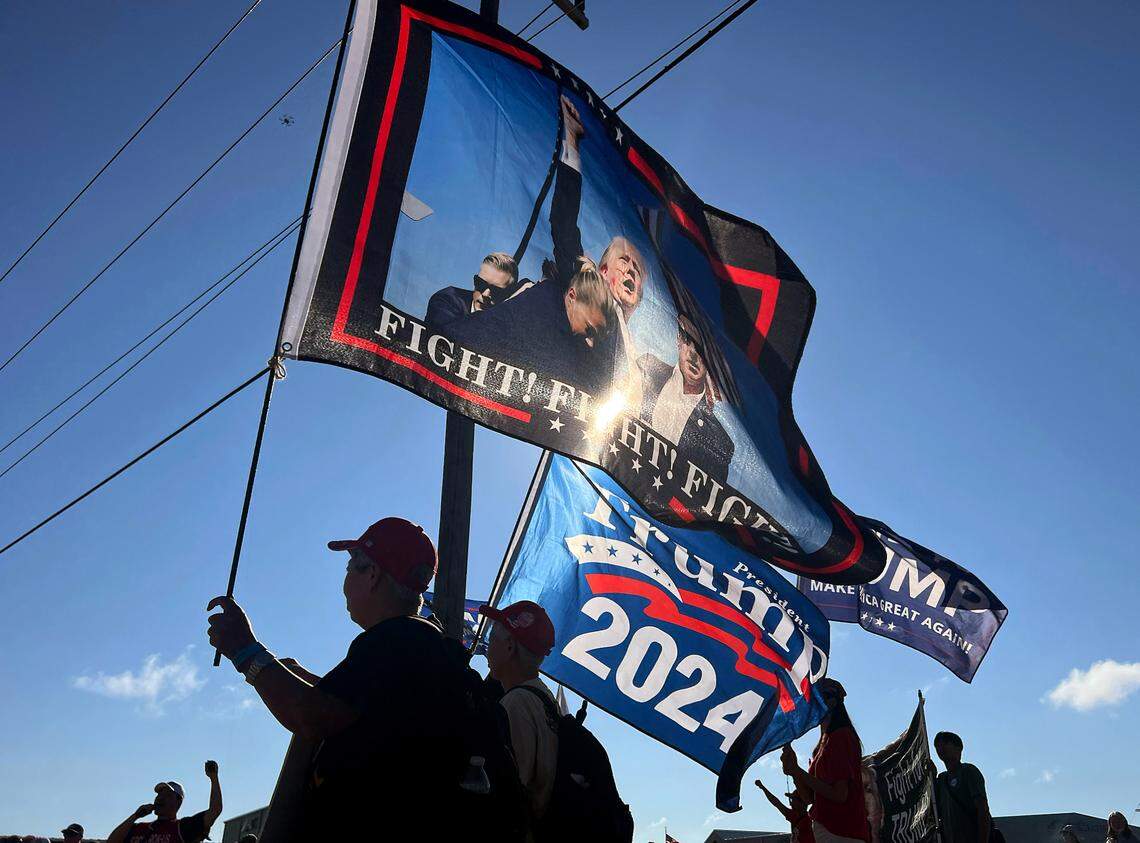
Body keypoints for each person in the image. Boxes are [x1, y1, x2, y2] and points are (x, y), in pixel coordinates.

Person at [206, 516, 478, 839]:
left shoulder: (395, 639)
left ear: (373, 575)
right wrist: (306, 681)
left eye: (351, 568)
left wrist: (245, 652)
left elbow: (311, 717)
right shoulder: (428, 648)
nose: (345, 579)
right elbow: (364, 709)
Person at [480, 600, 558, 822]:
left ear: (509, 646)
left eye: (491, 638)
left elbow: (508, 794)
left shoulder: (515, 705)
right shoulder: (544, 699)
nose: (487, 647)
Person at [638, 313, 734, 480]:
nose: (693, 355)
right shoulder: (647, 368)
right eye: (689, 341)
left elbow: (704, 503)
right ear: (678, 340)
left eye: (703, 351)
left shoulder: (719, 442)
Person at [782, 678, 869, 843]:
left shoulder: (841, 736)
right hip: (829, 832)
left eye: (818, 699)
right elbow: (809, 798)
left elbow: (839, 795)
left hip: (843, 832)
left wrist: (799, 772)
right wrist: (794, 771)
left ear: (832, 702)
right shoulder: (821, 746)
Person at [106, 761, 223, 843]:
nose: (160, 798)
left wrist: (213, 777)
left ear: (178, 802)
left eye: (167, 795)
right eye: (159, 794)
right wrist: (134, 816)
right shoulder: (138, 828)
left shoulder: (181, 828)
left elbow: (214, 811)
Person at [426, 251, 523, 330]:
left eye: (496, 291)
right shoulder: (446, 299)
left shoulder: (509, 323)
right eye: (481, 284)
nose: (485, 294)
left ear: (508, 295)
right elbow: (450, 336)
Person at [932, 731, 992, 843]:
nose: (941, 747)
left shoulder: (968, 771)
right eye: (937, 745)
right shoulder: (941, 779)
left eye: (945, 743)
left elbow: (982, 809)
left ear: (958, 747)